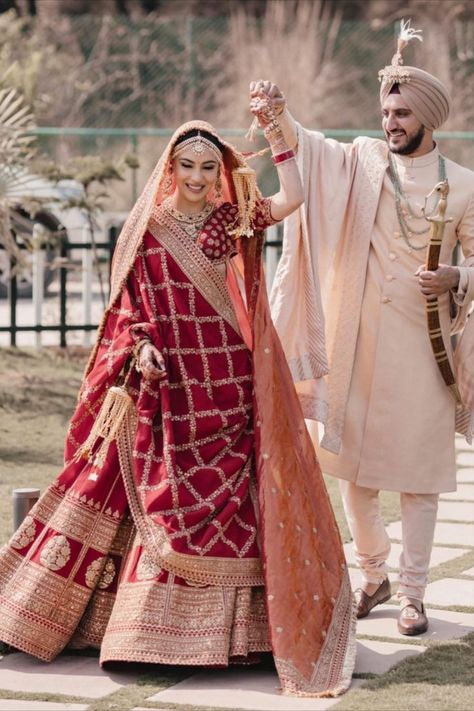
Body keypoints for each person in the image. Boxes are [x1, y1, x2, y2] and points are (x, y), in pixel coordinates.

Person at [0, 114, 356, 696]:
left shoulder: (225, 220)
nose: (196, 177)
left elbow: (292, 198)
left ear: (221, 172)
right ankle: (68, 617)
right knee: (129, 484)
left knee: (238, 498)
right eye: (187, 166)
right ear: (171, 168)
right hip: (168, 382)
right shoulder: (147, 227)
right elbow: (128, 306)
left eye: (208, 167)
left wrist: (276, 135)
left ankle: (243, 638)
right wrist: (140, 348)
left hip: (226, 378)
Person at [251, 21, 474, 636]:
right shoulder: (363, 161)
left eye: (401, 113)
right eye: (386, 110)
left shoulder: (464, 187)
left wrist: (456, 276)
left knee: (418, 480)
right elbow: (311, 151)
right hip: (357, 344)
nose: (390, 121)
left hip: (427, 353)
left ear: (427, 116)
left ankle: (414, 595)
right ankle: (372, 574)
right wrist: (276, 116)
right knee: (353, 471)